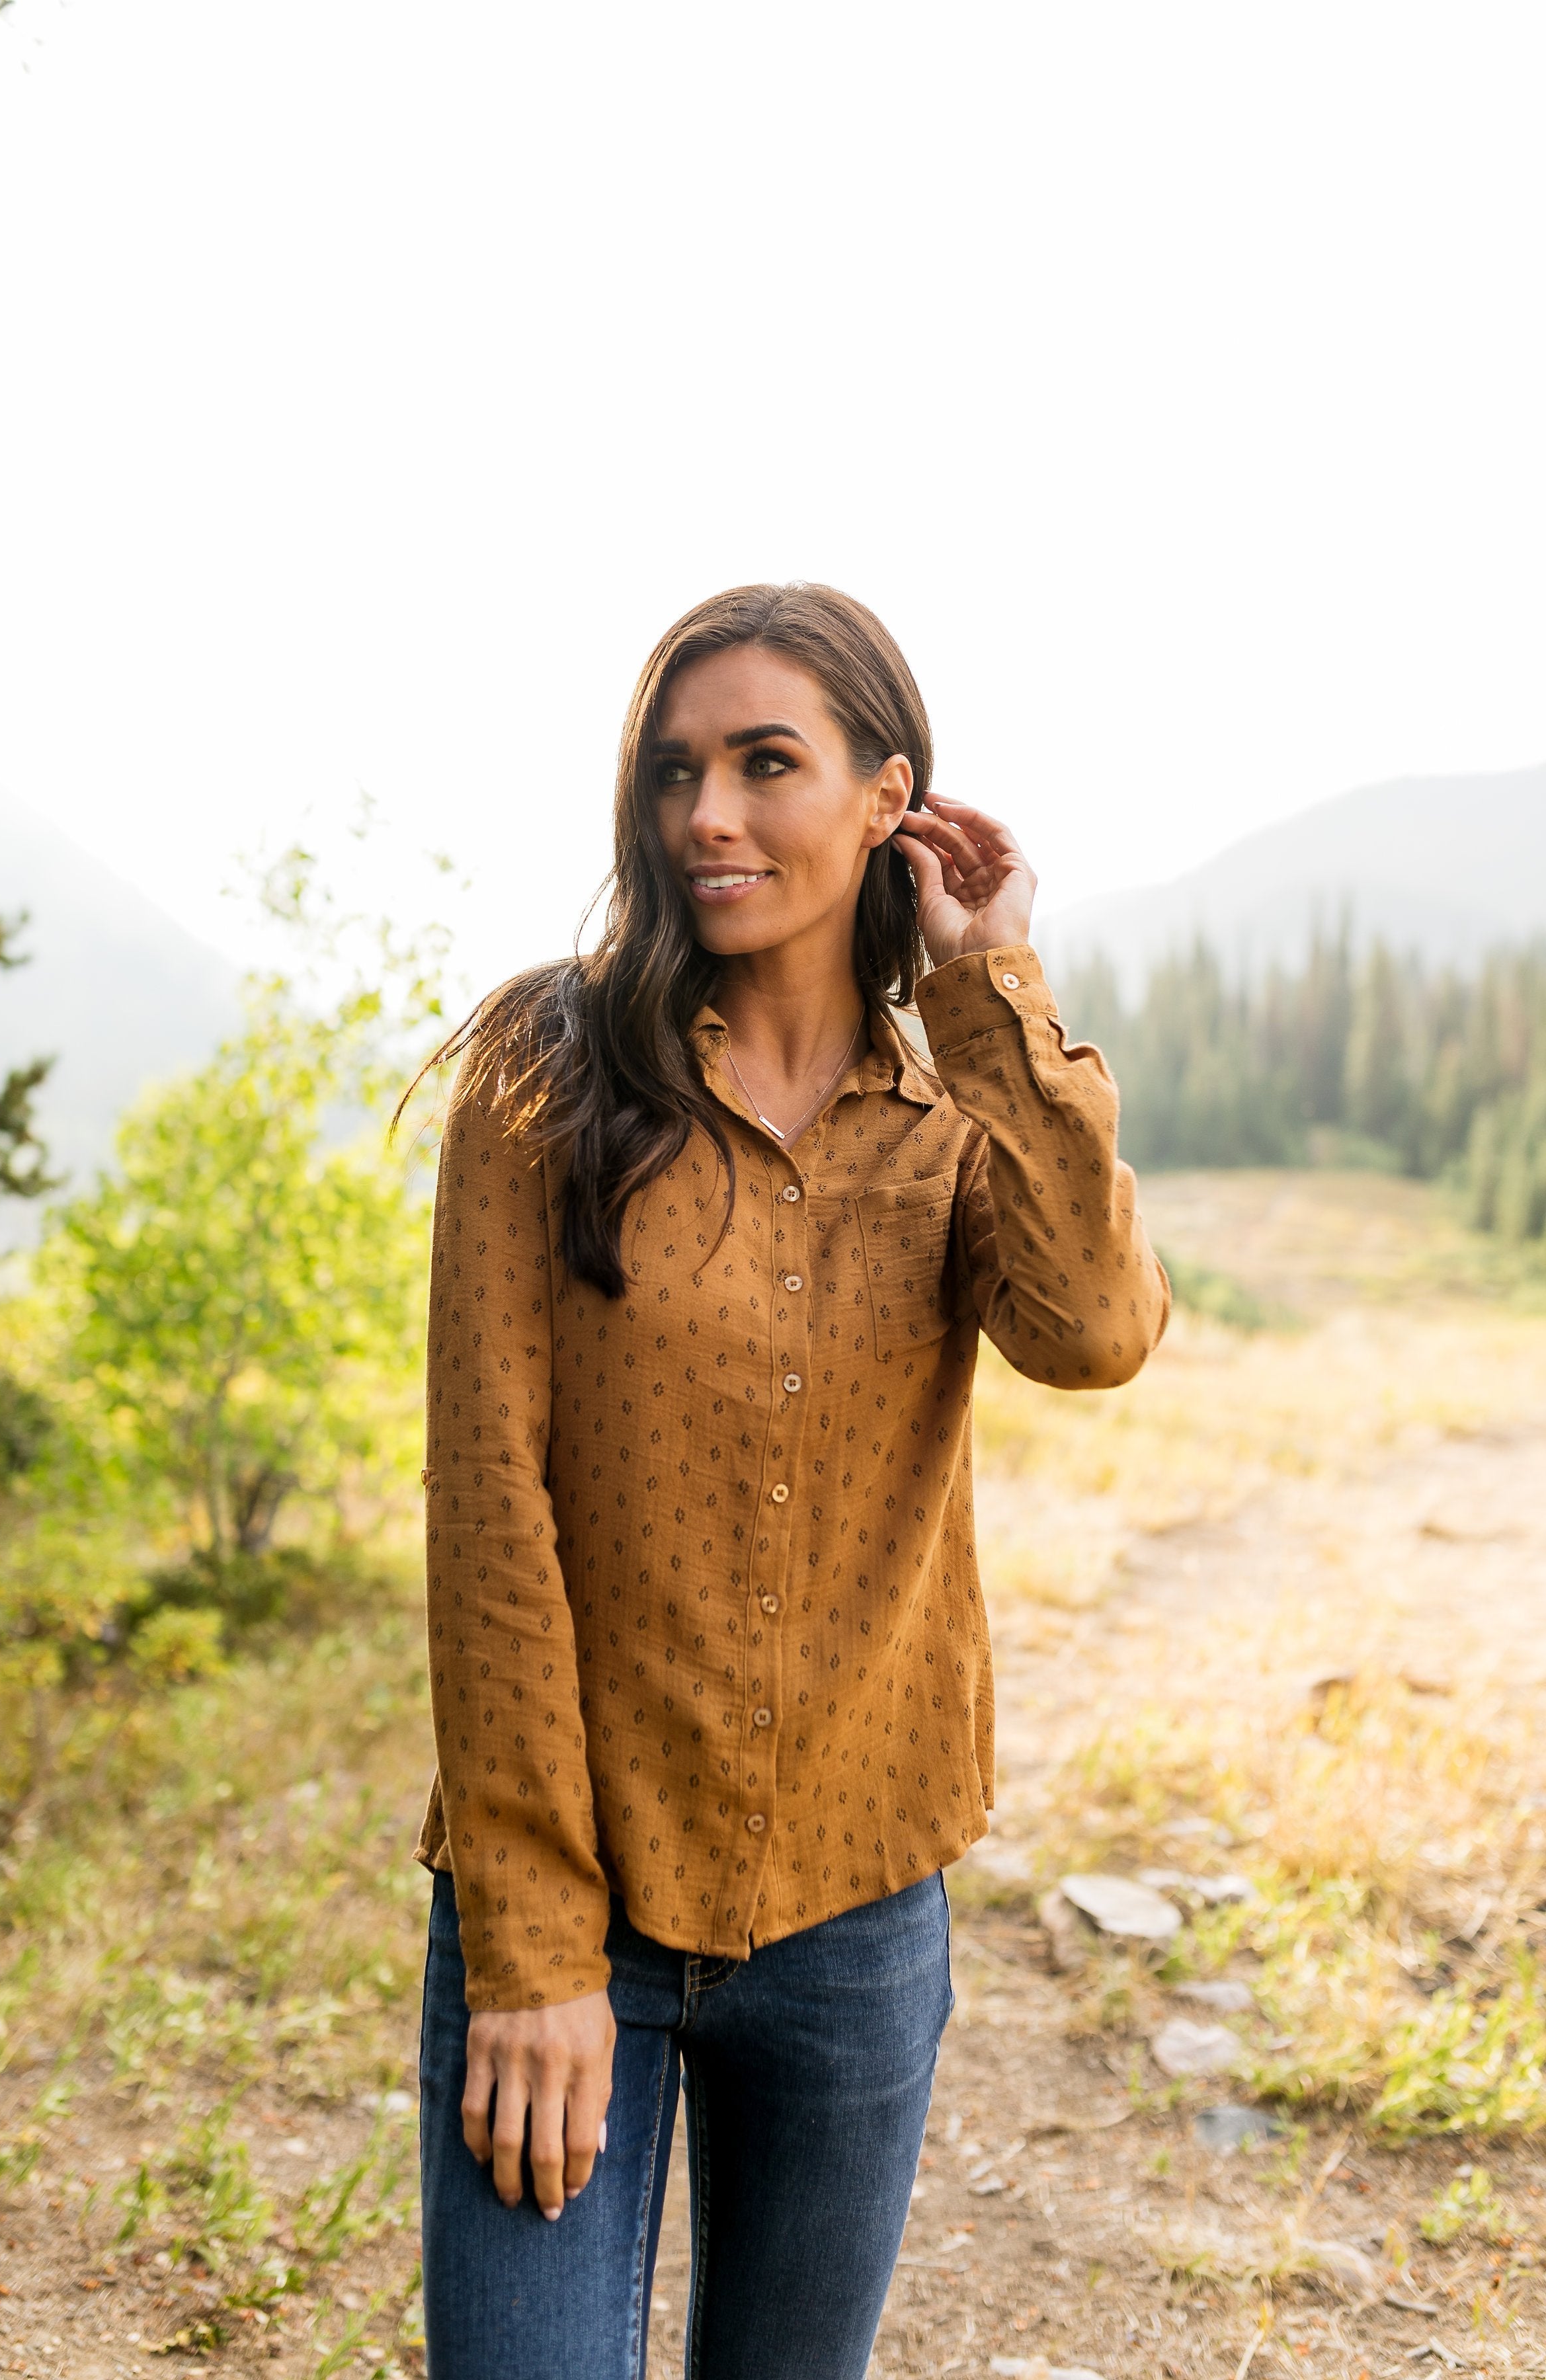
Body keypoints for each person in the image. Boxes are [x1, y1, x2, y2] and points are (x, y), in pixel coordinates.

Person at [411, 582, 1169, 2380]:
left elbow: (1097, 1333)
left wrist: (991, 985)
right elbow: (487, 1510)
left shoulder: (956, 1111)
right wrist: (529, 1957)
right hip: (570, 1906)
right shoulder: (547, 1070)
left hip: (856, 1912)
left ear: (886, 798)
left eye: (769, 763)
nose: (709, 818)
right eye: (678, 772)